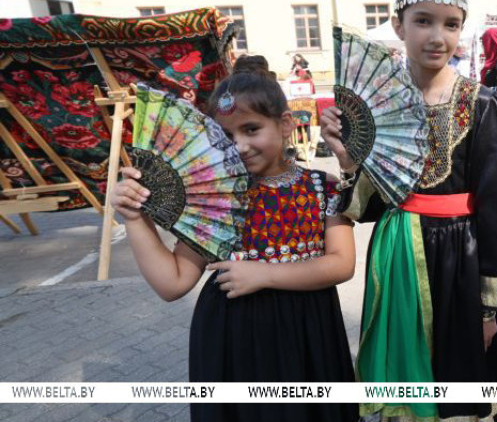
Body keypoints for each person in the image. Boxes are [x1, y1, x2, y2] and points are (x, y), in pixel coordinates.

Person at [321, 0, 497, 422]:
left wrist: (489, 310)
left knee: (463, 383)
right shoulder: (378, 106)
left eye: (451, 24)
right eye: (423, 21)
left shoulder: (483, 104)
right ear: (398, 25)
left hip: (463, 261)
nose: (438, 36)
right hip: (398, 257)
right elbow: (371, 205)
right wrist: (347, 159)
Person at [113, 70, 358, 422]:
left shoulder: (324, 186)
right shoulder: (214, 197)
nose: (240, 145)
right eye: (226, 136)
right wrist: (135, 219)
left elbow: (341, 264)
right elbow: (173, 282)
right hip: (234, 340)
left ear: (285, 124)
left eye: (251, 129)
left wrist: (263, 274)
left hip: (309, 334)